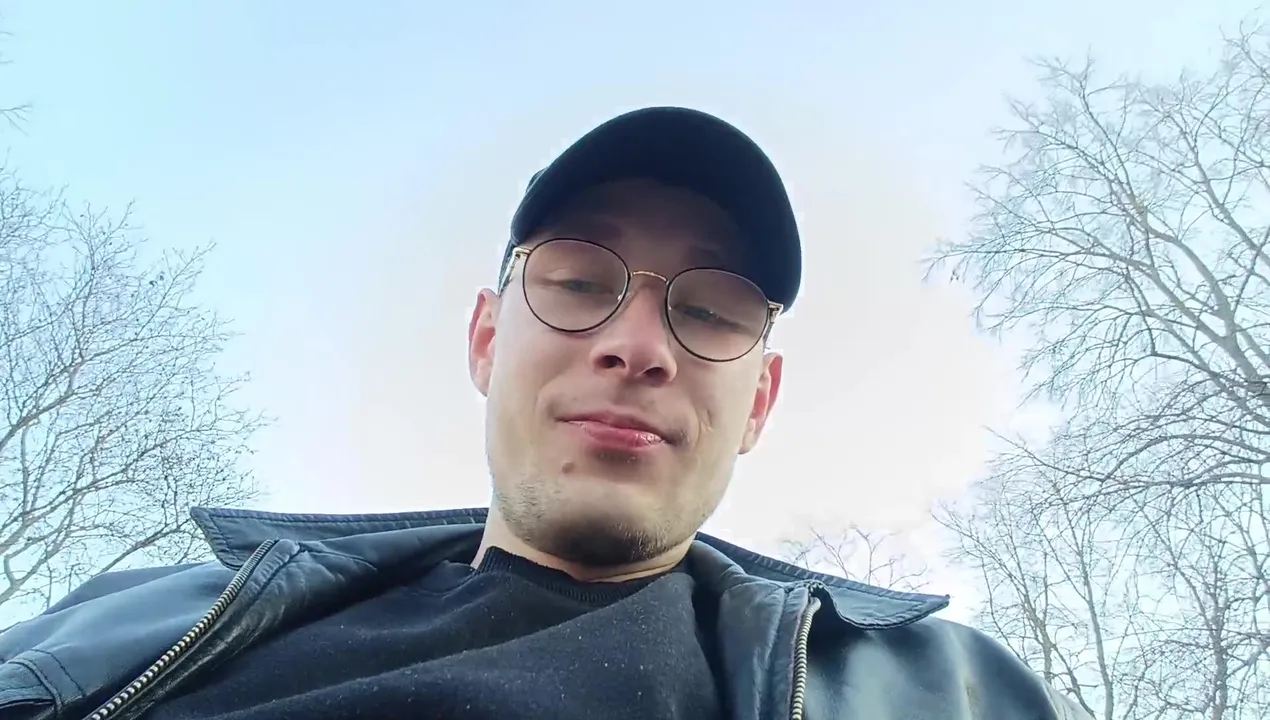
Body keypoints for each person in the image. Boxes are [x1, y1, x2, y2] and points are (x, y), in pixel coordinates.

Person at [0, 106, 1091, 720]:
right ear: (486, 339)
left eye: (711, 309)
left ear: (759, 402)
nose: (638, 344)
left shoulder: (946, 693)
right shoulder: (134, 624)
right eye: (577, 282)